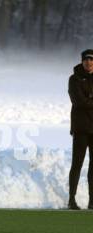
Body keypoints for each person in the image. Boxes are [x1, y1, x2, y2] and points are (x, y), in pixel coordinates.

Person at [68, 49, 93, 210]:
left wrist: (88, 97)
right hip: (81, 128)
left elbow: (85, 101)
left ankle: (92, 200)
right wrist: (88, 98)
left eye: (91, 60)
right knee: (77, 164)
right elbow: (78, 101)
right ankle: (72, 199)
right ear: (82, 61)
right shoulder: (74, 78)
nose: (89, 63)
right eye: (86, 60)